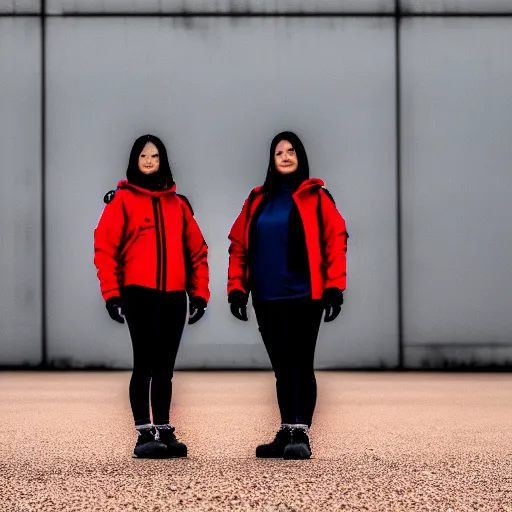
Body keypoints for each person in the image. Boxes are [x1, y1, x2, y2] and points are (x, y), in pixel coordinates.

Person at [227, 131, 347, 460]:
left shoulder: (317, 197)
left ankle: (301, 432)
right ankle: (286, 429)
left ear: (300, 156)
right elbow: (238, 245)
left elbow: (336, 240)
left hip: (305, 295)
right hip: (266, 297)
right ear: (271, 159)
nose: (285, 156)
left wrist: (335, 287)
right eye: (279, 152)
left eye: (291, 151)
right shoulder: (256, 200)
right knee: (281, 368)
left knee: (300, 365)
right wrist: (237, 289)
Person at [94, 134, 209, 459]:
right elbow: (105, 249)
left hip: (173, 296)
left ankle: (165, 428)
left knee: (165, 368)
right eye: (143, 156)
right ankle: (144, 433)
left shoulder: (178, 204)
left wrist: (199, 292)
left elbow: (197, 250)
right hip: (138, 294)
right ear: (134, 161)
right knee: (144, 363)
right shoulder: (122, 201)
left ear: (163, 161)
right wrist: (112, 294)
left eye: (155, 156)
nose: (149, 161)